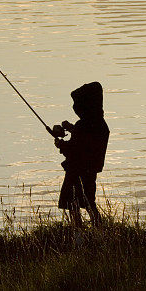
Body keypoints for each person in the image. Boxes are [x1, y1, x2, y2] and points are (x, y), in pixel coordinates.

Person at [52, 81, 110, 227]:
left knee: (72, 203)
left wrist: (61, 145)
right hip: (90, 171)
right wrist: (71, 128)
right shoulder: (100, 124)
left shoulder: (83, 125)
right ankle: (100, 230)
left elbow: (75, 148)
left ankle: (78, 233)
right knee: (89, 202)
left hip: (76, 171)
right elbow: (86, 139)